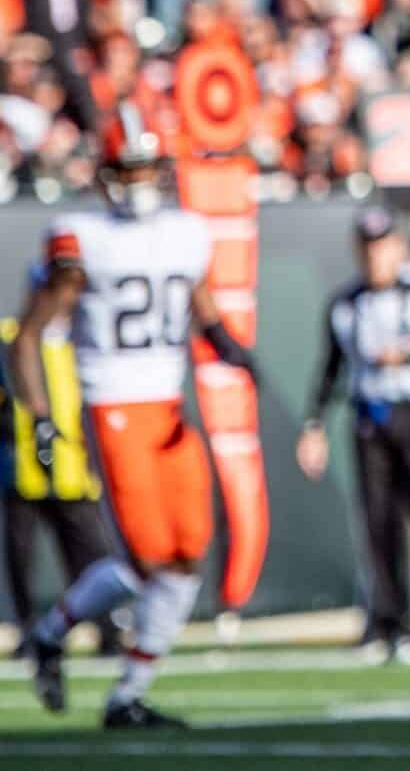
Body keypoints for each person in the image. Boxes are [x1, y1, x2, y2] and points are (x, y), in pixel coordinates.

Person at [13, 107, 261, 727]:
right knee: (145, 559)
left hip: (168, 405)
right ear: (107, 176)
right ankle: (51, 632)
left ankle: (128, 693)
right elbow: (29, 335)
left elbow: (202, 307)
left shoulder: (185, 232)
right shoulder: (83, 236)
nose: (140, 181)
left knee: (187, 556)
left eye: (148, 168)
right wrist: (39, 417)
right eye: (129, 169)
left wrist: (230, 349)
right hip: (113, 402)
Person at [301, 207, 410, 660]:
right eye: (368, 247)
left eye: (383, 246)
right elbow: (331, 368)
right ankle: (388, 622)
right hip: (370, 416)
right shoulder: (347, 303)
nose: (375, 256)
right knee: (379, 522)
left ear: (398, 247)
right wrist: (314, 424)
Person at [1, 260, 120, 654]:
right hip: (22, 468)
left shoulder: (83, 338)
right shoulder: (11, 336)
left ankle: (107, 629)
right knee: (22, 561)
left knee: (91, 556)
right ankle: (29, 632)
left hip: (73, 470)